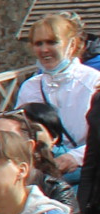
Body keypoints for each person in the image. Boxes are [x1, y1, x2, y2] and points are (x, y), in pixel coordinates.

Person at [15, 14, 97, 162]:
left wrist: (74, 157)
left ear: (71, 45)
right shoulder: (30, 87)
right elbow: (19, 134)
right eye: (38, 43)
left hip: (87, 168)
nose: (44, 49)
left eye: (52, 42)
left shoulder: (92, 82)